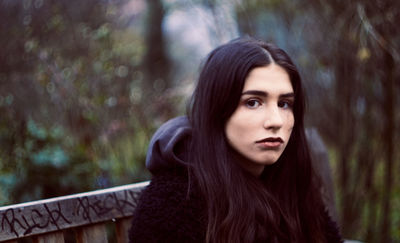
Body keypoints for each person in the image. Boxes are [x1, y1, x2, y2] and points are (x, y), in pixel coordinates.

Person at [128, 37, 343, 243]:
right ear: (217, 109)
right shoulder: (174, 203)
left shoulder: (290, 183)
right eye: (252, 102)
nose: (275, 121)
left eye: (284, 103)